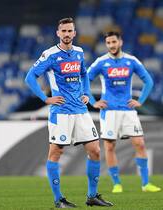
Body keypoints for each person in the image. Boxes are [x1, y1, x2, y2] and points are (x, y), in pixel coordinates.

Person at [25, 17, 113, 208]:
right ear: (58, 33)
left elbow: (84, 74)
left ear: (74, 33)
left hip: (81, 111)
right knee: (56, 152)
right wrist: (45, 98)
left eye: (69, 31)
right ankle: (59, 200)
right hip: (61, 112)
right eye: (63, 31)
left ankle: (92, 196)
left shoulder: (79, 53)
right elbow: (30, 76)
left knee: (95, 151)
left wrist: (86, 94)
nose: (66, 34)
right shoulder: (50, 54)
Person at [87, 31, 161, 193]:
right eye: (108, 43)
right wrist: (93, 102)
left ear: (120, 42)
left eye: (114, 42)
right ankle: (117, 184)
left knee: (140, 144)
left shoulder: (131, 61)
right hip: (109, 111)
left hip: (128, 110)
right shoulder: (101, 62)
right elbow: (84, 79)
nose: (111, 45)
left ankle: (145, 184)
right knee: (110, 146)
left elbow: (148, 80)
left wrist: (140, 101)